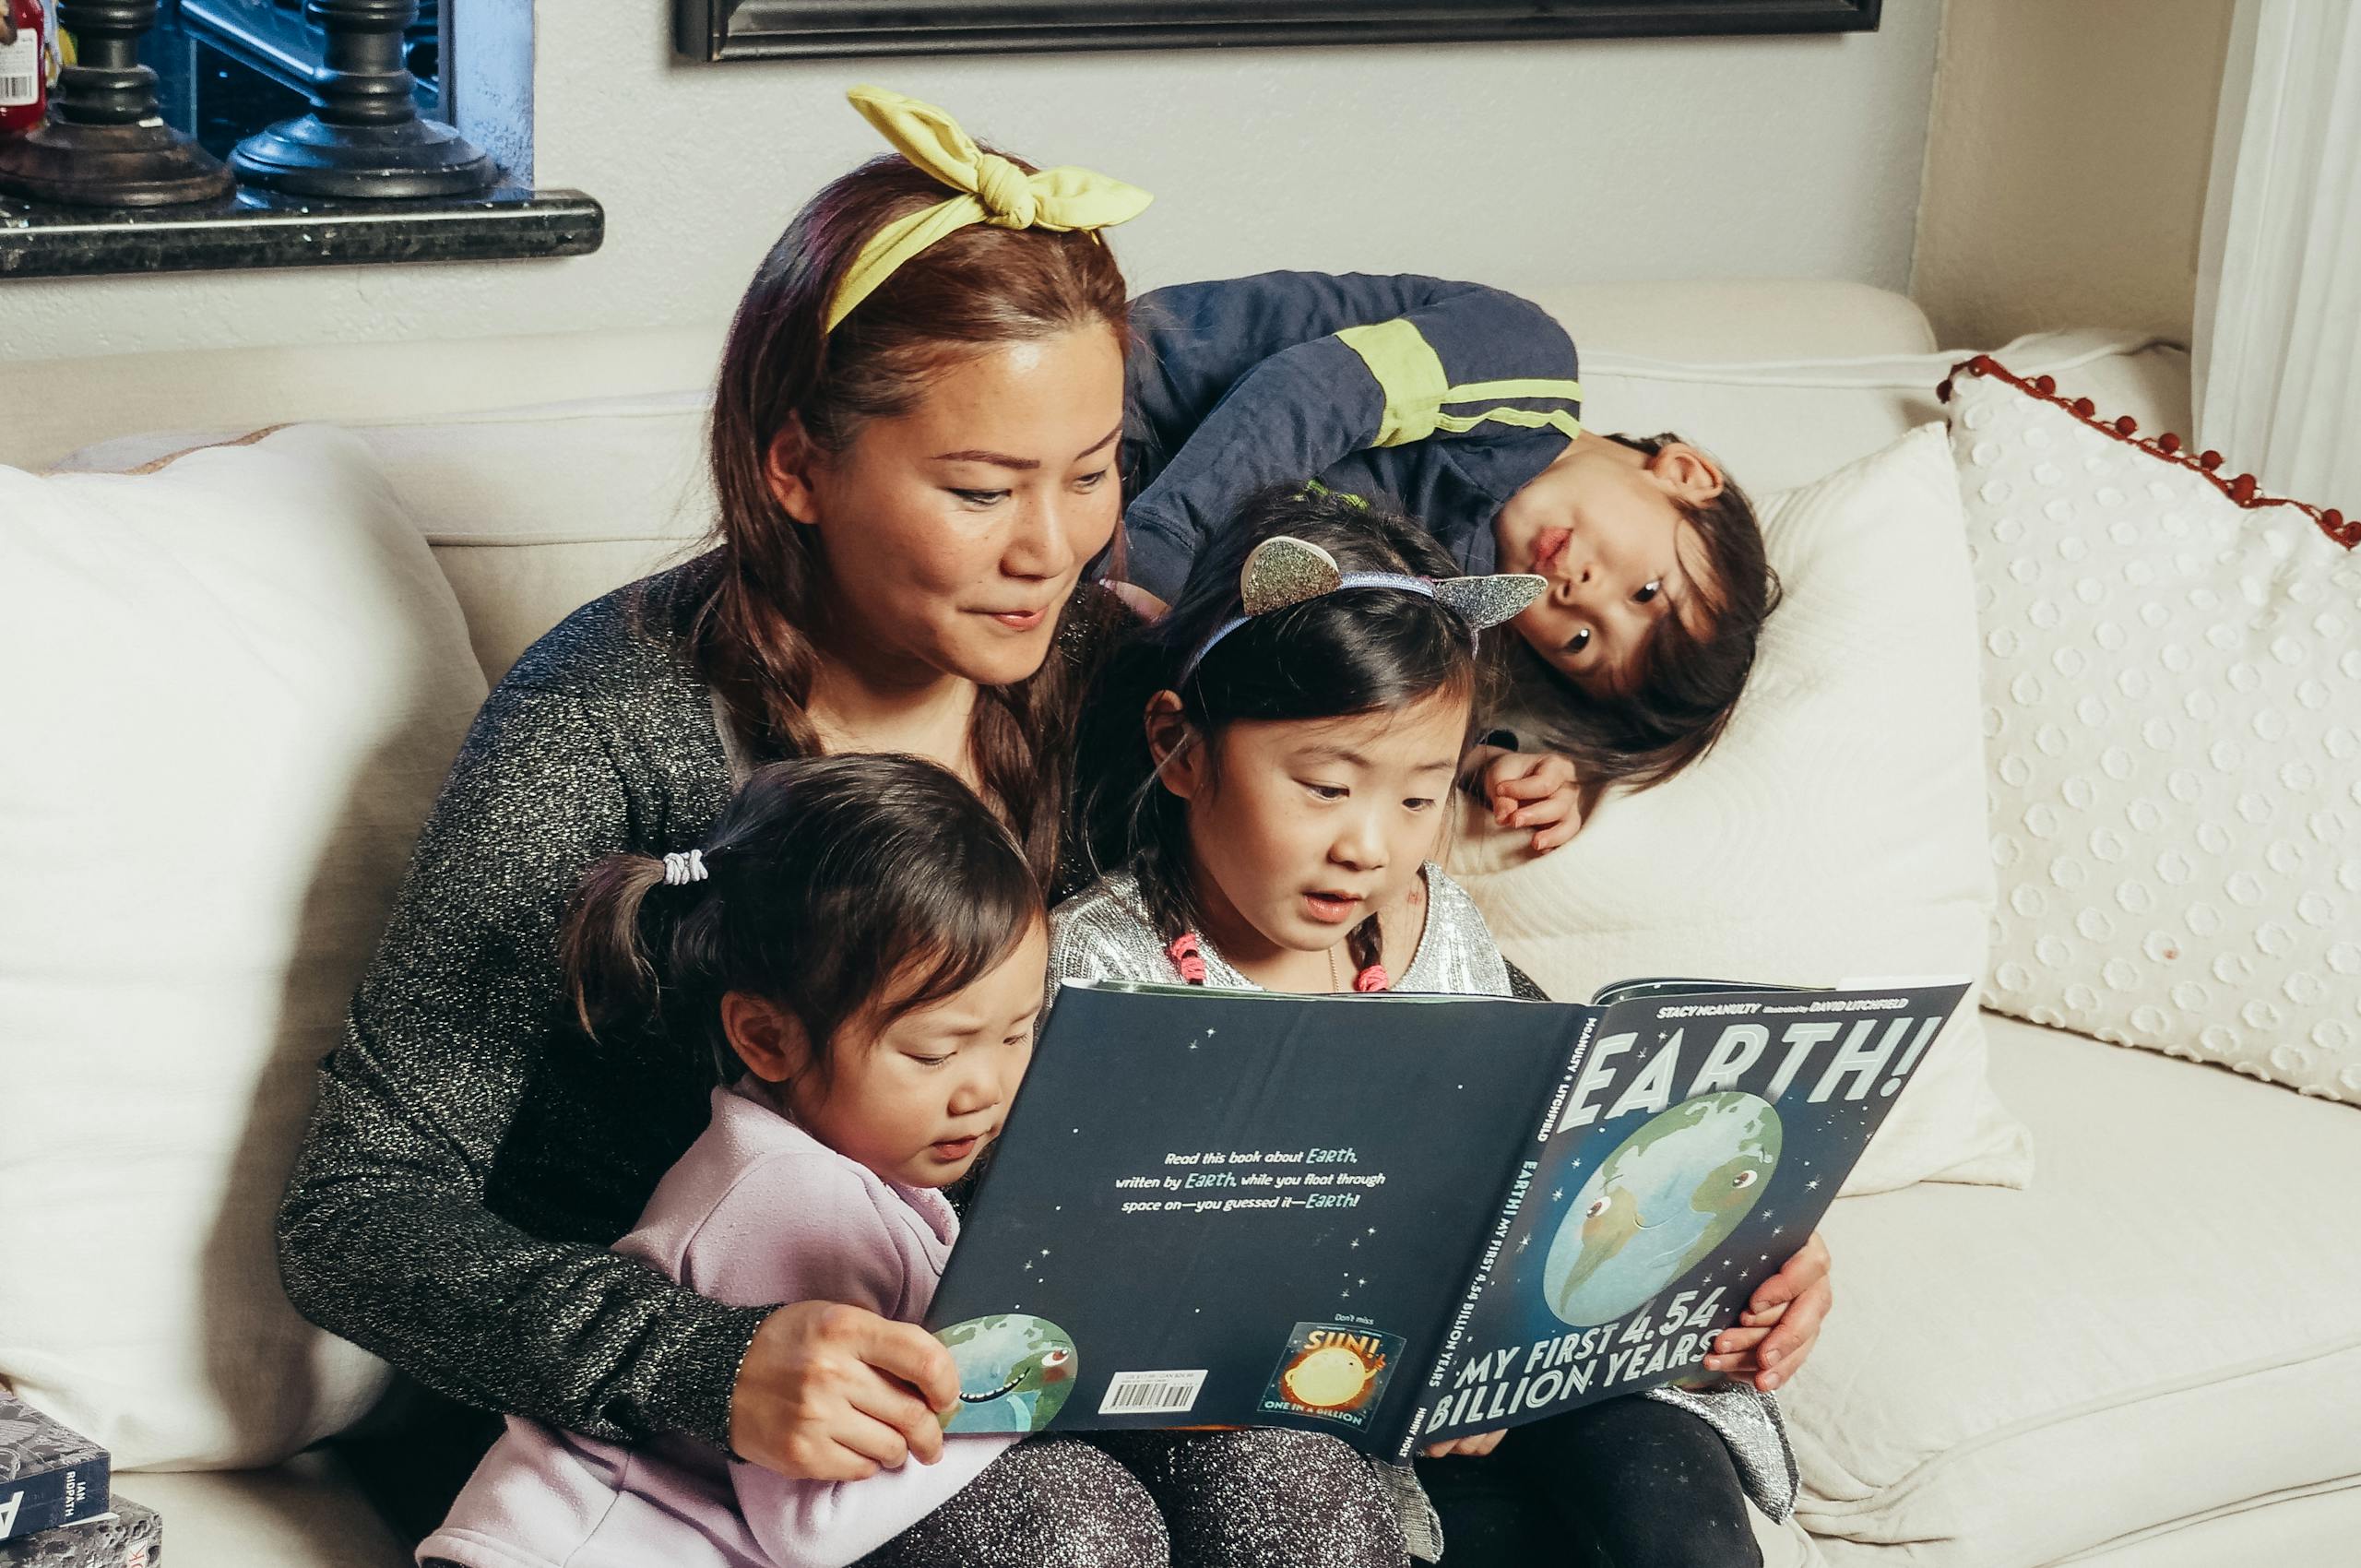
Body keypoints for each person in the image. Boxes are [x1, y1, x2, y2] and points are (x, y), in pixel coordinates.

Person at [275, 85, 1153, 1532]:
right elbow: (354, 1217)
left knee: (1321, 1478)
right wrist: (705, 1365)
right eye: (984, 488)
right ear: (794, 463)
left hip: (1001, 1368)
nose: (1053, 549)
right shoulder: (607, 721)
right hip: (645, 1451)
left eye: (1094, 470)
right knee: (1062, 1529)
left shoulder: (1112, 679)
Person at [1054, 487, 1831, 1567]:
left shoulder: (1436, 929)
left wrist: (1740, 1263)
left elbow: (1577, 1177)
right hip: (1305, 1442)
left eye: (1419, 797)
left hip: (1498, 1394)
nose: (1369, 846)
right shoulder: (1094, 971)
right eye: (1324, 786)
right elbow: (1077, 1303)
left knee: (1657, 1462)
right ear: (1182, 750)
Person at [422, 754, 1173, 1568]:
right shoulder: (780, 1203)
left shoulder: (865, 1163)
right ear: (767, 1038)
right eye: (932, 1053)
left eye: (1017, 1032)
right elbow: (813, 1527)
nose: (983, 1090)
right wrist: (1028, 1380)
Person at [1120, 272, 1782, 813]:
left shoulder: (1459, 592)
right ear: (1686, 475)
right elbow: (1319, 391)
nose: (1581, 596)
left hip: (1113, 531)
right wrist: (1162, 550)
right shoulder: (1530, 366)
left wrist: (1479, 761)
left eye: (1579, 643)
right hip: (1137, 397)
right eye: (1645, 591)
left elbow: (1363, 690)